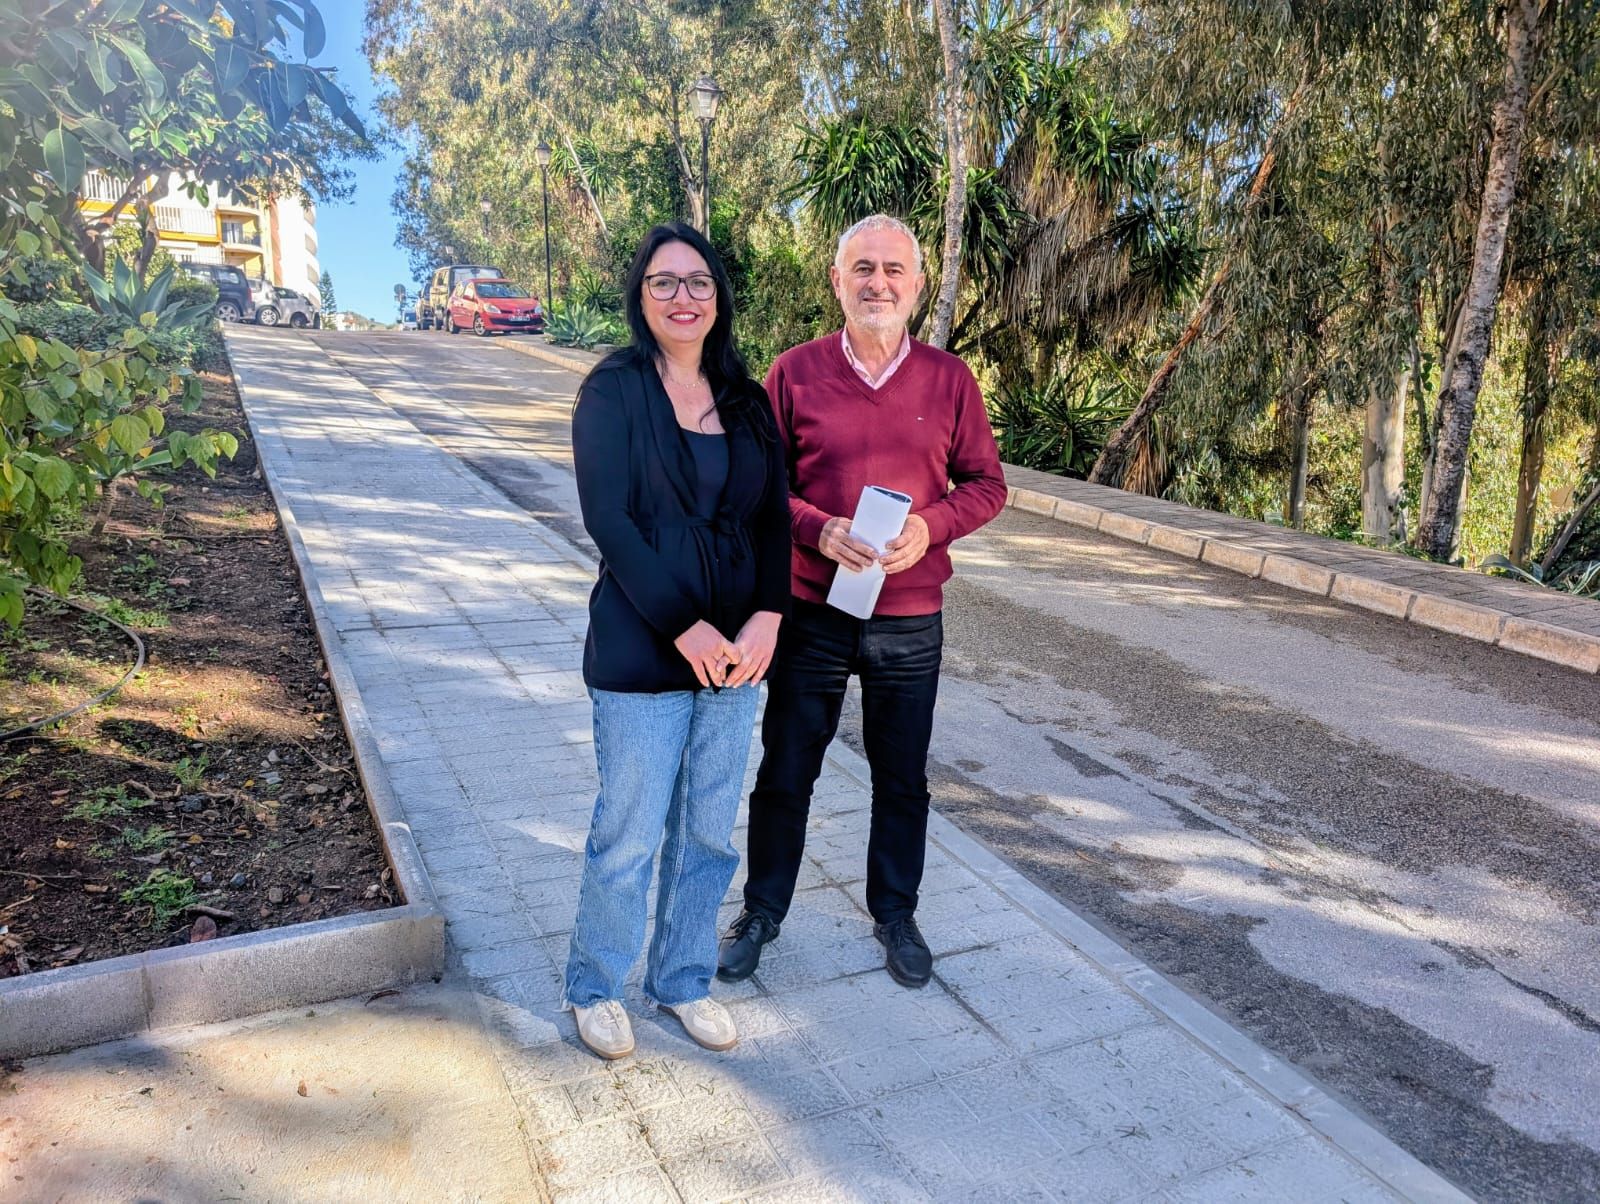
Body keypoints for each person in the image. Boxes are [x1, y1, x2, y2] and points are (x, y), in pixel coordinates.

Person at [718, 214, 1007, 989]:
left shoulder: (950, 381)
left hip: (909, 617)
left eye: (893, 271)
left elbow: (987, 486)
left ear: (917, 285)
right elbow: (758, 487)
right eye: (863, 269)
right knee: (787, 768)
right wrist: (817, 529)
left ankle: (895, 911)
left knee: (902, 774)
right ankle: (762, 911)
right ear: (838, 282)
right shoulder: (795, 373)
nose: (878, 283)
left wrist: (930, 527)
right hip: (812, 610)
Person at [566, 223, 790, 1059]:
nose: (683, 297)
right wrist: (685, 624)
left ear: (719, 297)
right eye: (664, 282)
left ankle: (683, 980)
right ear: (640, 296)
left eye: (698, 282)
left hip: (739, 657)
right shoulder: (613, 391)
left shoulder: (745, 398)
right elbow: (610, 524)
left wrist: (769, 613)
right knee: (629, 834)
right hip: (642, 651)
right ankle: (595, 987)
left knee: (708, 832)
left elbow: (772, 519)